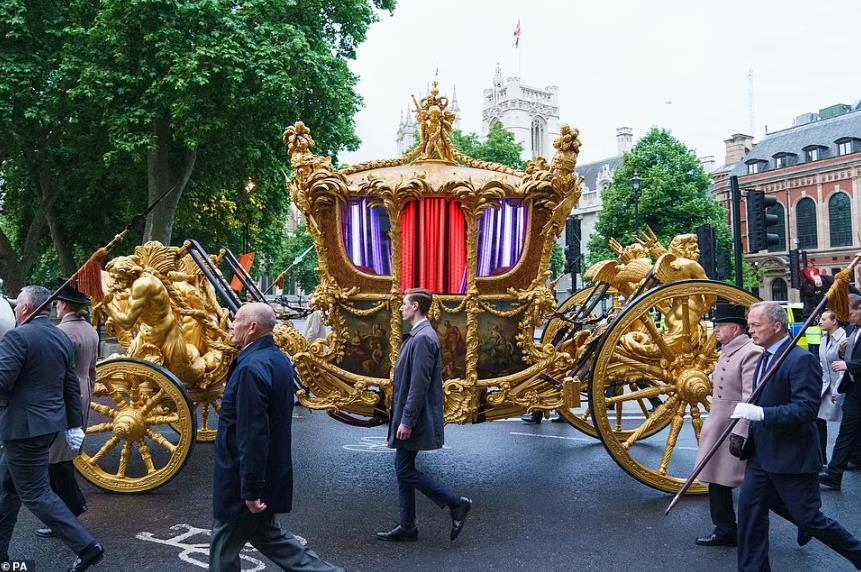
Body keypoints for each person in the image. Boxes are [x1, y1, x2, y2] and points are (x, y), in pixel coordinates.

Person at [210, 302, 343, 572]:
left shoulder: (250, 368)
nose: (231, 326)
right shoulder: (278, 359)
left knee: (223, 548)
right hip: (269, 472)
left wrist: (250, 489)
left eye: (236, 320)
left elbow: (252, 434)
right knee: (270, 538)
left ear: (252, 327)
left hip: (241, 479)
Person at [731, 301, 861, 571]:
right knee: (749, 516)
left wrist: (760, 414)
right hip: (760, 456)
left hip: (791, 457)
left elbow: (805, 410)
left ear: (777, 326)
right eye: (749, 325)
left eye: (756, 325)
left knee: (810, 519)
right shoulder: (764, 355)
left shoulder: (801, 360)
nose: (750, 331)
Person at [0, 285, 104, 571]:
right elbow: (70, 386)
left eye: (18, 304)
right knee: (7, 488)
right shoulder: (59, 336)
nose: (16, 309)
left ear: (26, 308)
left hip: (23, 429)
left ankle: (87, 546)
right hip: (45, 427)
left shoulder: (17, 337)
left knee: (35, 494)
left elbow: (2, 382)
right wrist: (73, 426)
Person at [376, 288, 472, 542]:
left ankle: (455, 503)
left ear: (416, 306)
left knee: (404, 470)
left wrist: (407, 420)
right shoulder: (421, 336)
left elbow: (419, 385)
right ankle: (408, 526)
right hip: (412, 415)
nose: (400, 308)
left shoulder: (422, 339)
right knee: (403, 467)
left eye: (404, 304)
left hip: (414, 418)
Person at [35, 283, 100, 539]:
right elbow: (92, 370)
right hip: (83, 392)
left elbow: (54, 373)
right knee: (61, 458)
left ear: (65, 305)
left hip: (63, 397)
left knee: (55, 459)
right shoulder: (91, 331)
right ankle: (70, 508)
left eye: (59, 303)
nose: (57, 307)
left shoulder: (61, 332)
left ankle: (67, 512)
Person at [694, 303, 761, 547]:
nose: (716, 331)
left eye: (719, 326)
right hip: (719, 423)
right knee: (716, 479)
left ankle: (805, 520)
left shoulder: (749, 352)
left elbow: (749, 396)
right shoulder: (728, 351)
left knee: (756, 485)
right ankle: (725, 528)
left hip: (732, 425)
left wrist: (740, 432)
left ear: (734, 328)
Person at [821, 295, 861, 490]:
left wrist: (848, 364)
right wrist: (845, 351)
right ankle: (834, 473)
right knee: (848, 431)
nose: (848, 317)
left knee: (848, 431)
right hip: (854, 389)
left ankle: (835, 472)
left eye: (851, 312)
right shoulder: (854, 329)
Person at [816, 310, 846, 467]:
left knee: (846, 425)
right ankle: (821, 460)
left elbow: (844, 366)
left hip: (841, 387)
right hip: (826, 387)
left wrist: (839, 388)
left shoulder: (844, 338)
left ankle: (845, 460)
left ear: (834, 321)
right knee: (818, 419)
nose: (820, 321)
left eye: (824, 318)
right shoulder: (824, 338)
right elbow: (823, 364)